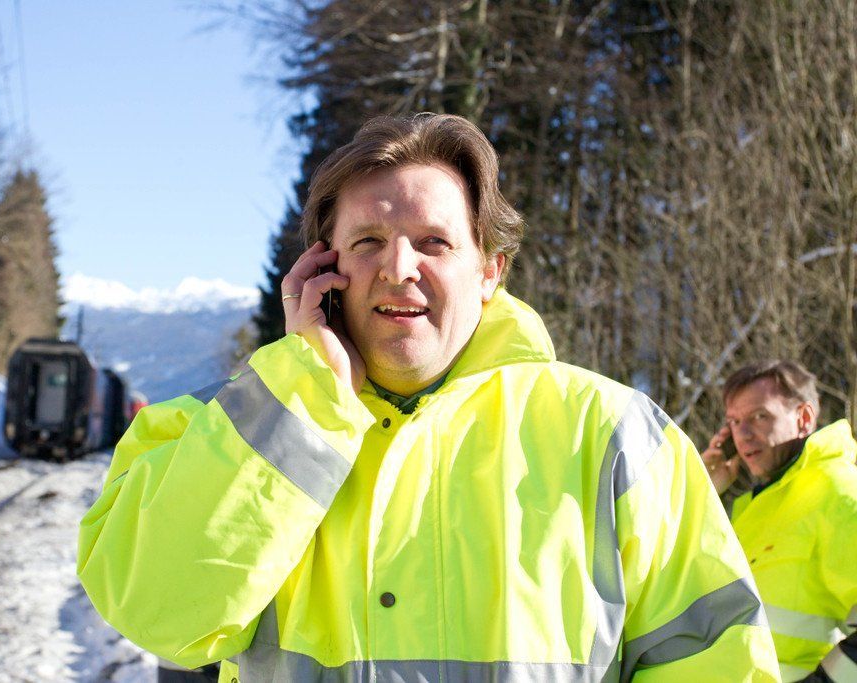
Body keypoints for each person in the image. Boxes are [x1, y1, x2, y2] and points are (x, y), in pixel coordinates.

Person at [78, 113, 778, 681]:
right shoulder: (219, 423)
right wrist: (303, 395)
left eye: (433, 242)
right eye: (368, 241)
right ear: (322, 266)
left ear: (490, 270)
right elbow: (158, 611)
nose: (399, 267)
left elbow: (715, 661)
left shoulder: (616, 437)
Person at [701, 361, 857, 682]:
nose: (743, 435)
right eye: (734, 421)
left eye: (760, 416)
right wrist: (704, 491)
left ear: (804, 418)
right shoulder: (752, 508)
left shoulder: (840, 492)